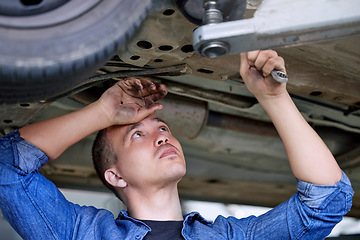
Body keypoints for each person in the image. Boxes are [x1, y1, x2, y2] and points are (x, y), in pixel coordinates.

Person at [0, 50, 354, 240]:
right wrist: (103, 113)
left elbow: (326, 200)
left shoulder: (231, 237)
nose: (163, 135)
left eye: (163, 126)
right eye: (137, 134)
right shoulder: (82, 233)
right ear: (116, 176)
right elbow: (7, 167)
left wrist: (273, 97)